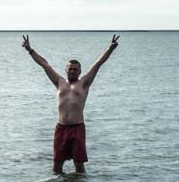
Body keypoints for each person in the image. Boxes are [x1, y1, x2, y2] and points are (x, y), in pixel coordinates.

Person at [22, 34, 120, 174]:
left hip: (77, 128)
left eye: (75, 69)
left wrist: (110, 48)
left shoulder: (84, 83)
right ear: (66, 70)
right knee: (57, 165)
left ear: (79, 71)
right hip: (61, 128)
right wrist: (30, 50)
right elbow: (44, 64)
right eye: (70, 68)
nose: (72, 71)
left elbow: (98, 63)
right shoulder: (59, 82)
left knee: (79, 165)